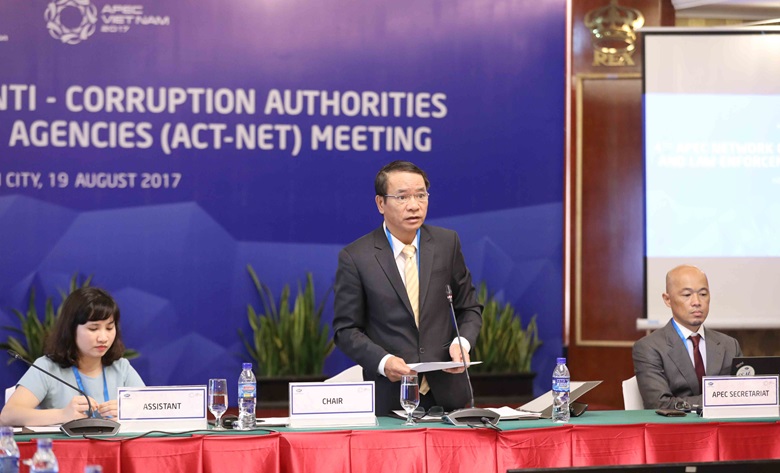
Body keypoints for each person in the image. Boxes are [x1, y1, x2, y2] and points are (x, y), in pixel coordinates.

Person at [333, 160, 482, 416]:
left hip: (449, 395)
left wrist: (463, 343)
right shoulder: (356, 257)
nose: (414, 205)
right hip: (390, 398)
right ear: (381, 203)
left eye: (421, 195)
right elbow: (346, 330)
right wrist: (384, 362)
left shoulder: (447, 244)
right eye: (402, 197)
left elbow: (469, 308)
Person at [0, 287, 145, 426]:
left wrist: (127, 412)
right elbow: (7, 416)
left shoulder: (121, 367)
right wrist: (63, 415)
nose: (103, 338)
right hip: (62, 444)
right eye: (93, 328)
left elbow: (152, 409)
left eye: (109, 328)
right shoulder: (47, 368)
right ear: (71, 330)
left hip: (114, 444)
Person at [632, 265, 742, 410]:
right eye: (686, 295)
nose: (697, 302)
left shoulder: (729, 345)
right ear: (667, 299)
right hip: (676, 424)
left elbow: (743, 395)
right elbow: (659, 403)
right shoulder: (649, 347)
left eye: (703, 294)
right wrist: (717, 400)